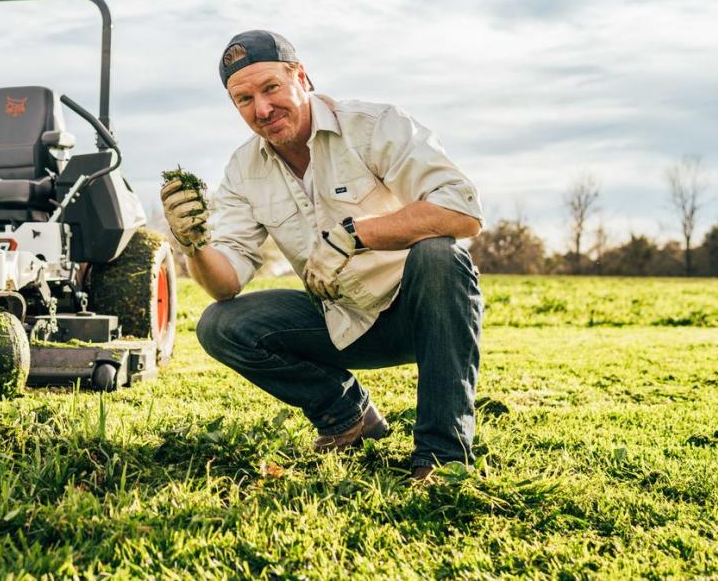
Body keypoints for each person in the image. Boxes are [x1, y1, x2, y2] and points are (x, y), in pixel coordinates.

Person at [161, 30, 484, 482]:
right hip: (343, 322)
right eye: (244, 99)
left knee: (439, 254)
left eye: (271, 88)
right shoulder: (242, 170)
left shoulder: (375, 126)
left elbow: (461, 212)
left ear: (302, 76)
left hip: (424, 314)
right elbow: (226, 281)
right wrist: (192, 244)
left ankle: (441, 455)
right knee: (221, 323)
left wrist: (353, 235)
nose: (262, 109)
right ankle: (347, 414)